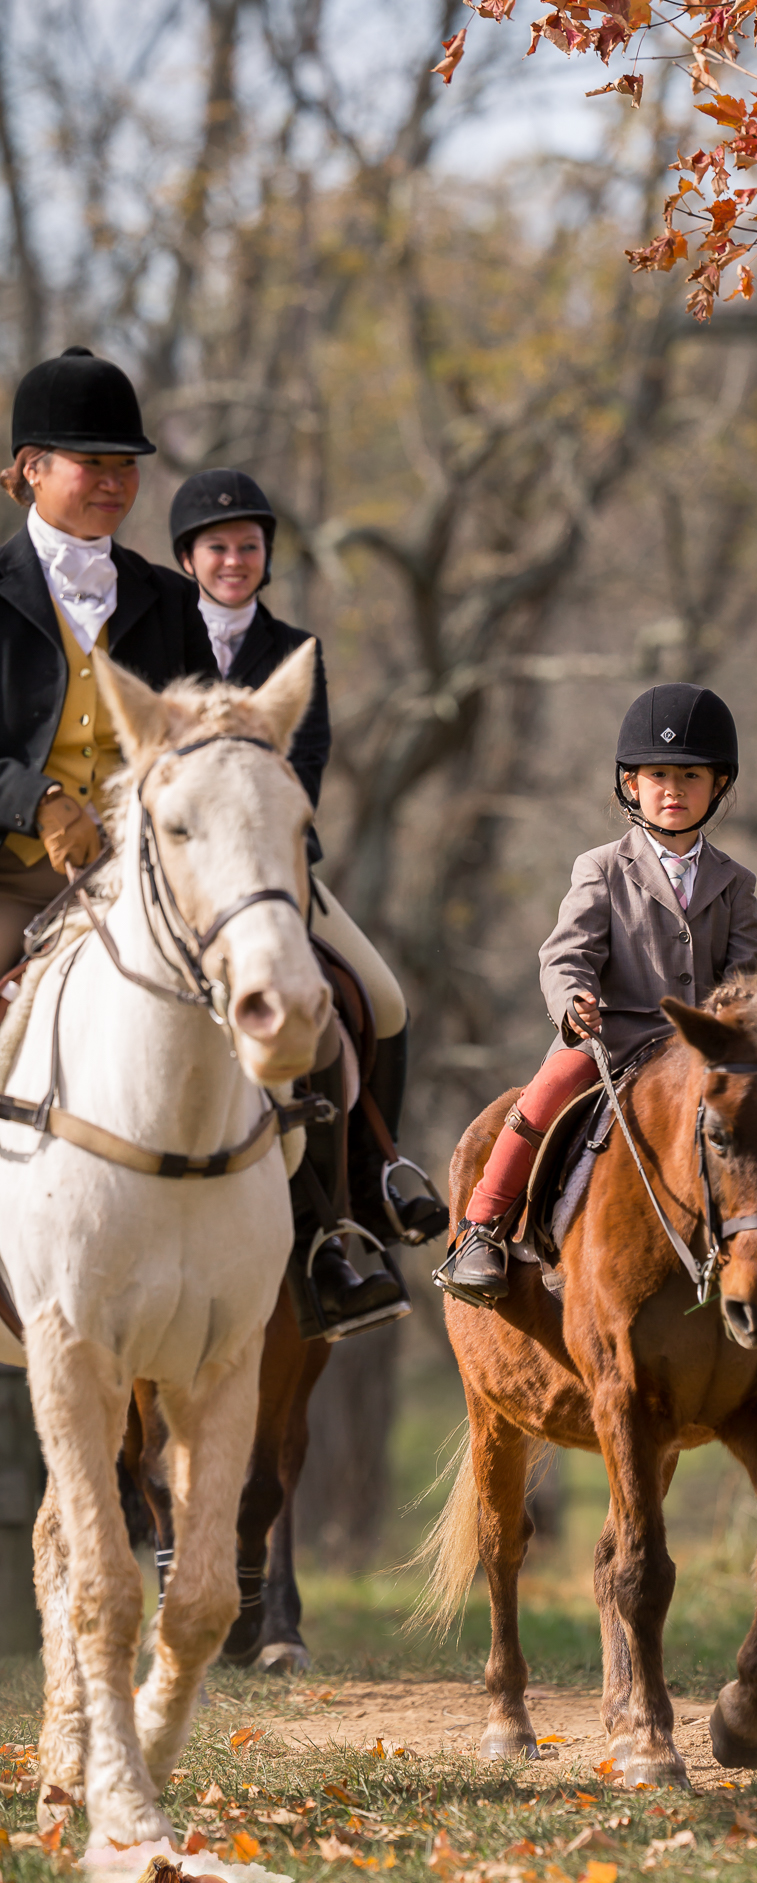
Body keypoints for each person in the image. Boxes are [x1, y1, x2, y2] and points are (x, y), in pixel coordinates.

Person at [436, 681, 757, 1328]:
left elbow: (749, 976)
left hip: (710, 1051)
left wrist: (750, 1027)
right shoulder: (600, 868)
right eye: (656, 775)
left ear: (717, 786)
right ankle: (482, 1231)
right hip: (614, 1038)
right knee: (543, 1095)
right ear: (629, 786)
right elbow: (566, 953)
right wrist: (572, 1000)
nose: (672, 788)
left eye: (689, 776)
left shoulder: (735, 882)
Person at [168, 470, 448, 1341]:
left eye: (248, 546)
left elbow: (310, 759)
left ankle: (362, 1200)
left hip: (275, 871)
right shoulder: (149, 638)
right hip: (176, 874)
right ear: (187, 558)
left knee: (385, 999)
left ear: (266, 558)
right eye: (216, 546)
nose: (233, 560)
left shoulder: (298, 650)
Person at [0, 346, 213, 975]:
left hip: (154, 877)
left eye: (126, 465)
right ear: (32, 468)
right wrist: (37, 800)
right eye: (92, 464)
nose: (115, 482)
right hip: (15, 880)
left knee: (362, 991)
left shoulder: (170, 598)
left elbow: (205, 737)